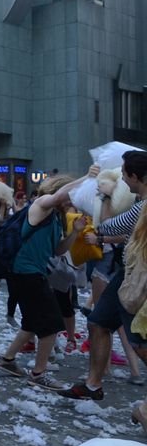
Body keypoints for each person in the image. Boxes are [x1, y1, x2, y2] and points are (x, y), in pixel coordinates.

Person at [0, 168, 98, 390]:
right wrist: (86, 178)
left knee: (32, 321)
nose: (74, 200)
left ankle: (7, 360)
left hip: (33, 272)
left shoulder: (56, 218)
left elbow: (58, 251)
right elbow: (59, 196)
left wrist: (75, 232)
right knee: (50, 323)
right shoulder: (41, 205)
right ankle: (39, 374)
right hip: (25, 272)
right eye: (72, 195)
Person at [58, 150, 147, 400]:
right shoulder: (140, 205)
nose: (123, 181)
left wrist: (104, 196)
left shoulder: (142, 207)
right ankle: (93, 385)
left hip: (138, 279)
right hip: (127, 274)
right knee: (98, 321)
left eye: (124, 176)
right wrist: (101, 239)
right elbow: (127, 235)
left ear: (133, 176)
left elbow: (108, 224)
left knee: (139, 341)